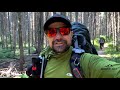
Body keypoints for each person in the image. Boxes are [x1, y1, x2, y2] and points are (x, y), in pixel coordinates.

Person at [36, 14, 120, 78]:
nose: (58, 37)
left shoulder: (84, 61)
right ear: (47, 36)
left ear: (71, 34)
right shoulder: (42, 61)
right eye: (52, 32)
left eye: (64, 31)